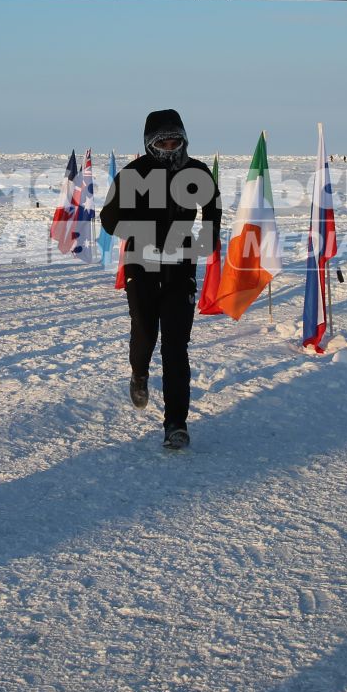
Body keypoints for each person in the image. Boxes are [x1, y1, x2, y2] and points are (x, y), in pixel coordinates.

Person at [99, 109, 220, 449]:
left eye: (175, 140)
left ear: (183, 139)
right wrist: (140, 233)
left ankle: (176, 423)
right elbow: (108, 221)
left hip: (181, 265)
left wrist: (207, 237)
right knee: (144, 330)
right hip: (142, 263)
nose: (169, 147)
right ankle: (139, 374)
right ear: (149, 143)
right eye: (162, 141)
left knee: (176, 347)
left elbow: (214, 210)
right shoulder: (132, 174)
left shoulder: (197, 171)